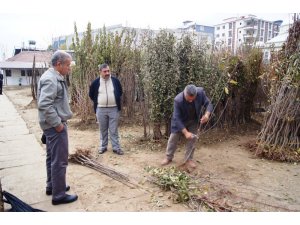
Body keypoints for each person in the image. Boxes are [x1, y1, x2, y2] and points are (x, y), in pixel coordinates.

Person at [37, 50, 78, 205]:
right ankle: (59, 195)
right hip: (55, 126)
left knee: (51, 157)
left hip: (50, 126)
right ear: (58, 64)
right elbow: (44, 104)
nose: (69, 68)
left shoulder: (52, 76)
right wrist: (58, 124)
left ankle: (52, 186)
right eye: (67, 65)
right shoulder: (51, 79)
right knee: (59, 160)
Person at [161, 84, 213, 168]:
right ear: (185, 94)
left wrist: (207, 115)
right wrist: (185, 132)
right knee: (173, 138)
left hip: (193, 120)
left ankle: (188, 159)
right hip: (180, 121)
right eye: (189, 99)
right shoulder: (178, 100)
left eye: (193, 99)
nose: (191, 101)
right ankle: (168, 157)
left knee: (193, 138)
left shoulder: (200, 93)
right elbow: (177, 118)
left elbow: (209, 104)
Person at [89, 63, 124, 155]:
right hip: (101, 109)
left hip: (114, 109)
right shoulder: (95, 83)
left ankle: (116, 148)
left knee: (113, 129)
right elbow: (91, 95)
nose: (107, 73)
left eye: (108, 71)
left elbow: (120, 92)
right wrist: (100, 102)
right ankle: (103, 147)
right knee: (103, 129)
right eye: (105, 71)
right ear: (100, 72)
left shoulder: (115, 81)